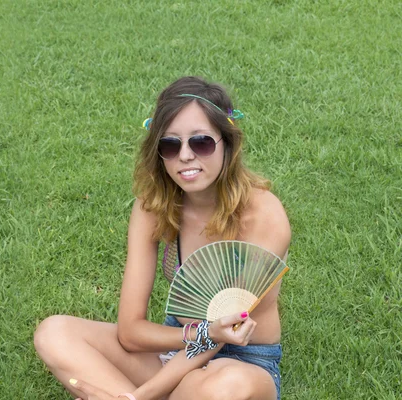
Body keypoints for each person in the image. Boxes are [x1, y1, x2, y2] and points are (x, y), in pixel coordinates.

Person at [34, 76, 291, 400]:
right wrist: (194, 332)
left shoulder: (262, 215)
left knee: (216, 387)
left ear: (227, 143)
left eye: (201, 143)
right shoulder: (153, 208)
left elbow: (224, 335)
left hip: (243, 364)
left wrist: (137, 396)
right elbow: (130, 333)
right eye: (171, 145)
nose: (185, 156)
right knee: (54, 333)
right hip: (178, 343)